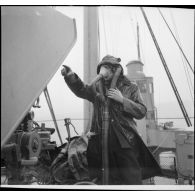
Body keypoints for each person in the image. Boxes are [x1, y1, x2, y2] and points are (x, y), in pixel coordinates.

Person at [61, 55, 162, 185]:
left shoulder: (131, 87)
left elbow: (141, 111)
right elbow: (82, 90)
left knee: (130, 176)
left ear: (115, 70)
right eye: (102, 68)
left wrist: (122, 100)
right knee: (103, 177)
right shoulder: (97, 87)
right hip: (100, 139)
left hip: (123, 138)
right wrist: (70, 76)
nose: (103, 71)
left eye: (107, 68)